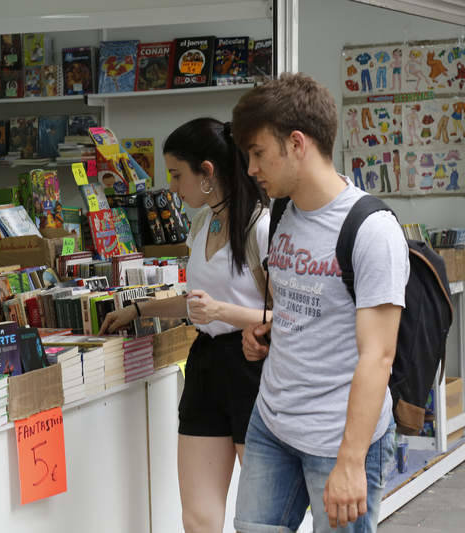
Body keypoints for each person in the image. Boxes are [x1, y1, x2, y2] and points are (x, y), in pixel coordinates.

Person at [232, 73, 409, 532]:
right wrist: (269, 332)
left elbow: (379, 354)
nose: (251, 168)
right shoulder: (281, 212)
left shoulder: (371, 229)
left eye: (257, 153)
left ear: (296, 144)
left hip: (338, 438)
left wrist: (351, 462)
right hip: (271, 422)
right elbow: (301, 304)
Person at [99, 118, 270, 533]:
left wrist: (222, 313)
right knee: (197, 517)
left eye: (178, 175)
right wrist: (140, 310)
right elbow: (198, 304)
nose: (173, 188)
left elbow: (288, 317)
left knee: (264, 518)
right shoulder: (202, 224)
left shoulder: (261, 227)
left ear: (207, 172)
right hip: (206, 365)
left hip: (255, 367)